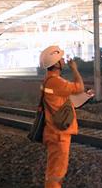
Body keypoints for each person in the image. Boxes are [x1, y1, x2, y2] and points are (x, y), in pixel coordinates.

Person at [39, 45, 84, 188]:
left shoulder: (48, 80)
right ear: (56, 63)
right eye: (61, 59)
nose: (64, 60)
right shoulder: (56, 81)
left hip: (53, 131)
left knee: (54, 170)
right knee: (57, 172)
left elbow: (62, 98)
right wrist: (74, 69)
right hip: (59, 134)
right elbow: (80, 87)